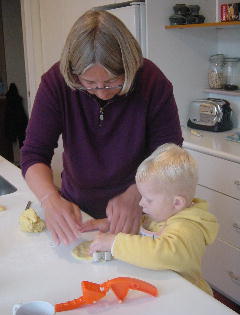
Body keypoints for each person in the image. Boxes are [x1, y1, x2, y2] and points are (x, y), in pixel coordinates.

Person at [20, 9, 183, 246]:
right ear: (74, 75)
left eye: (113, 82)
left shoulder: (152, 81)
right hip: (79, 213)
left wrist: (136, 192)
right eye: (89, 84)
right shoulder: (56, 82)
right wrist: (49, 199)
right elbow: (33, 154)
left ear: (129, 68)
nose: (102, 92)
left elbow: (169, 155)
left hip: (142, 209)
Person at [86, 143, 219, 295]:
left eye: (148, 199)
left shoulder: (188, 228)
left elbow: (162, 252)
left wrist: (114, 242)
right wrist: (111, 224)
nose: (141, 202)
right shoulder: (161, 215)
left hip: (187, 297)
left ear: (176, 203)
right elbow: (142, 230)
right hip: (164, 291)